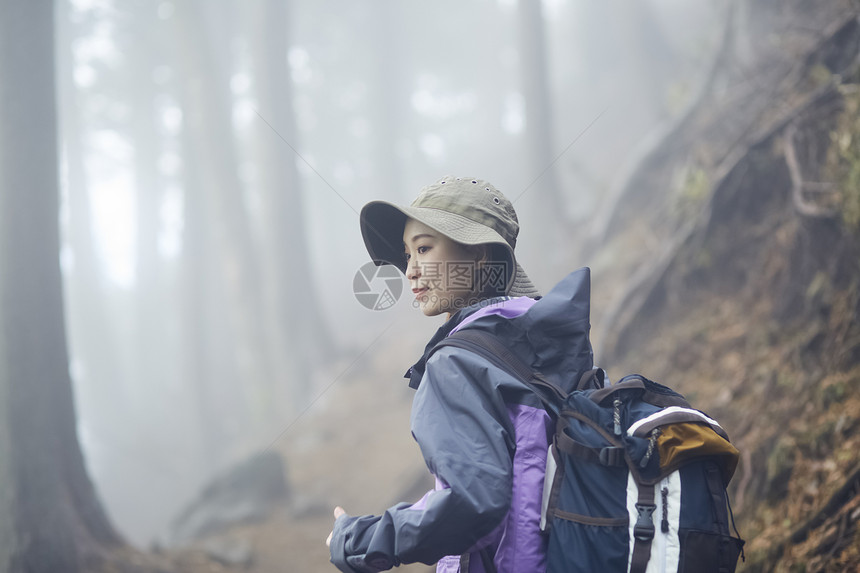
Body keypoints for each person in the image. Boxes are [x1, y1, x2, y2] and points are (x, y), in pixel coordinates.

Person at [327, 176, 594, 572]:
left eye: (423, 248)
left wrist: (358, 540)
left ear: (479, 253)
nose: (410, 271)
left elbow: (472, 504)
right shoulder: (545, 348)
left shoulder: (456, 364)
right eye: (407, 255)